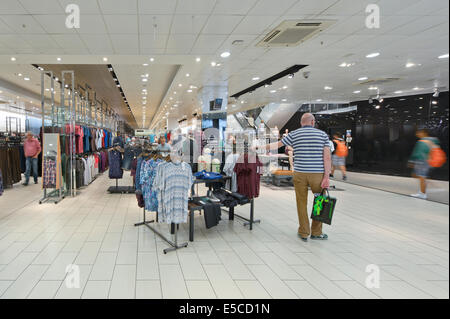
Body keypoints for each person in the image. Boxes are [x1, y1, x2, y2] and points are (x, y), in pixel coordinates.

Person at [260, 113, 331, 242]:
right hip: (317, 174)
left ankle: (304, 232)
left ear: (301, 123)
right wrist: (327, 176)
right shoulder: (322, 135)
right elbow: (327, 157)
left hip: (299, 173)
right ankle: (316, 232)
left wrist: (261, 147)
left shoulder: (294, 134)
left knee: (301, 203)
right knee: (320, 201)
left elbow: (278, 145)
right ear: (313, 122)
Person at [408, 128, 439, 200]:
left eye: (419, 132)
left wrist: (411, 161)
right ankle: (422, 191)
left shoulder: (421, 141)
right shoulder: (434, 140)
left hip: (421, 161)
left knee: (421, 177)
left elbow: (417, 153)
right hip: (428, 161)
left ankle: (422, 194)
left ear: (424, 133)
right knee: (419, 176)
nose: (417, 134)